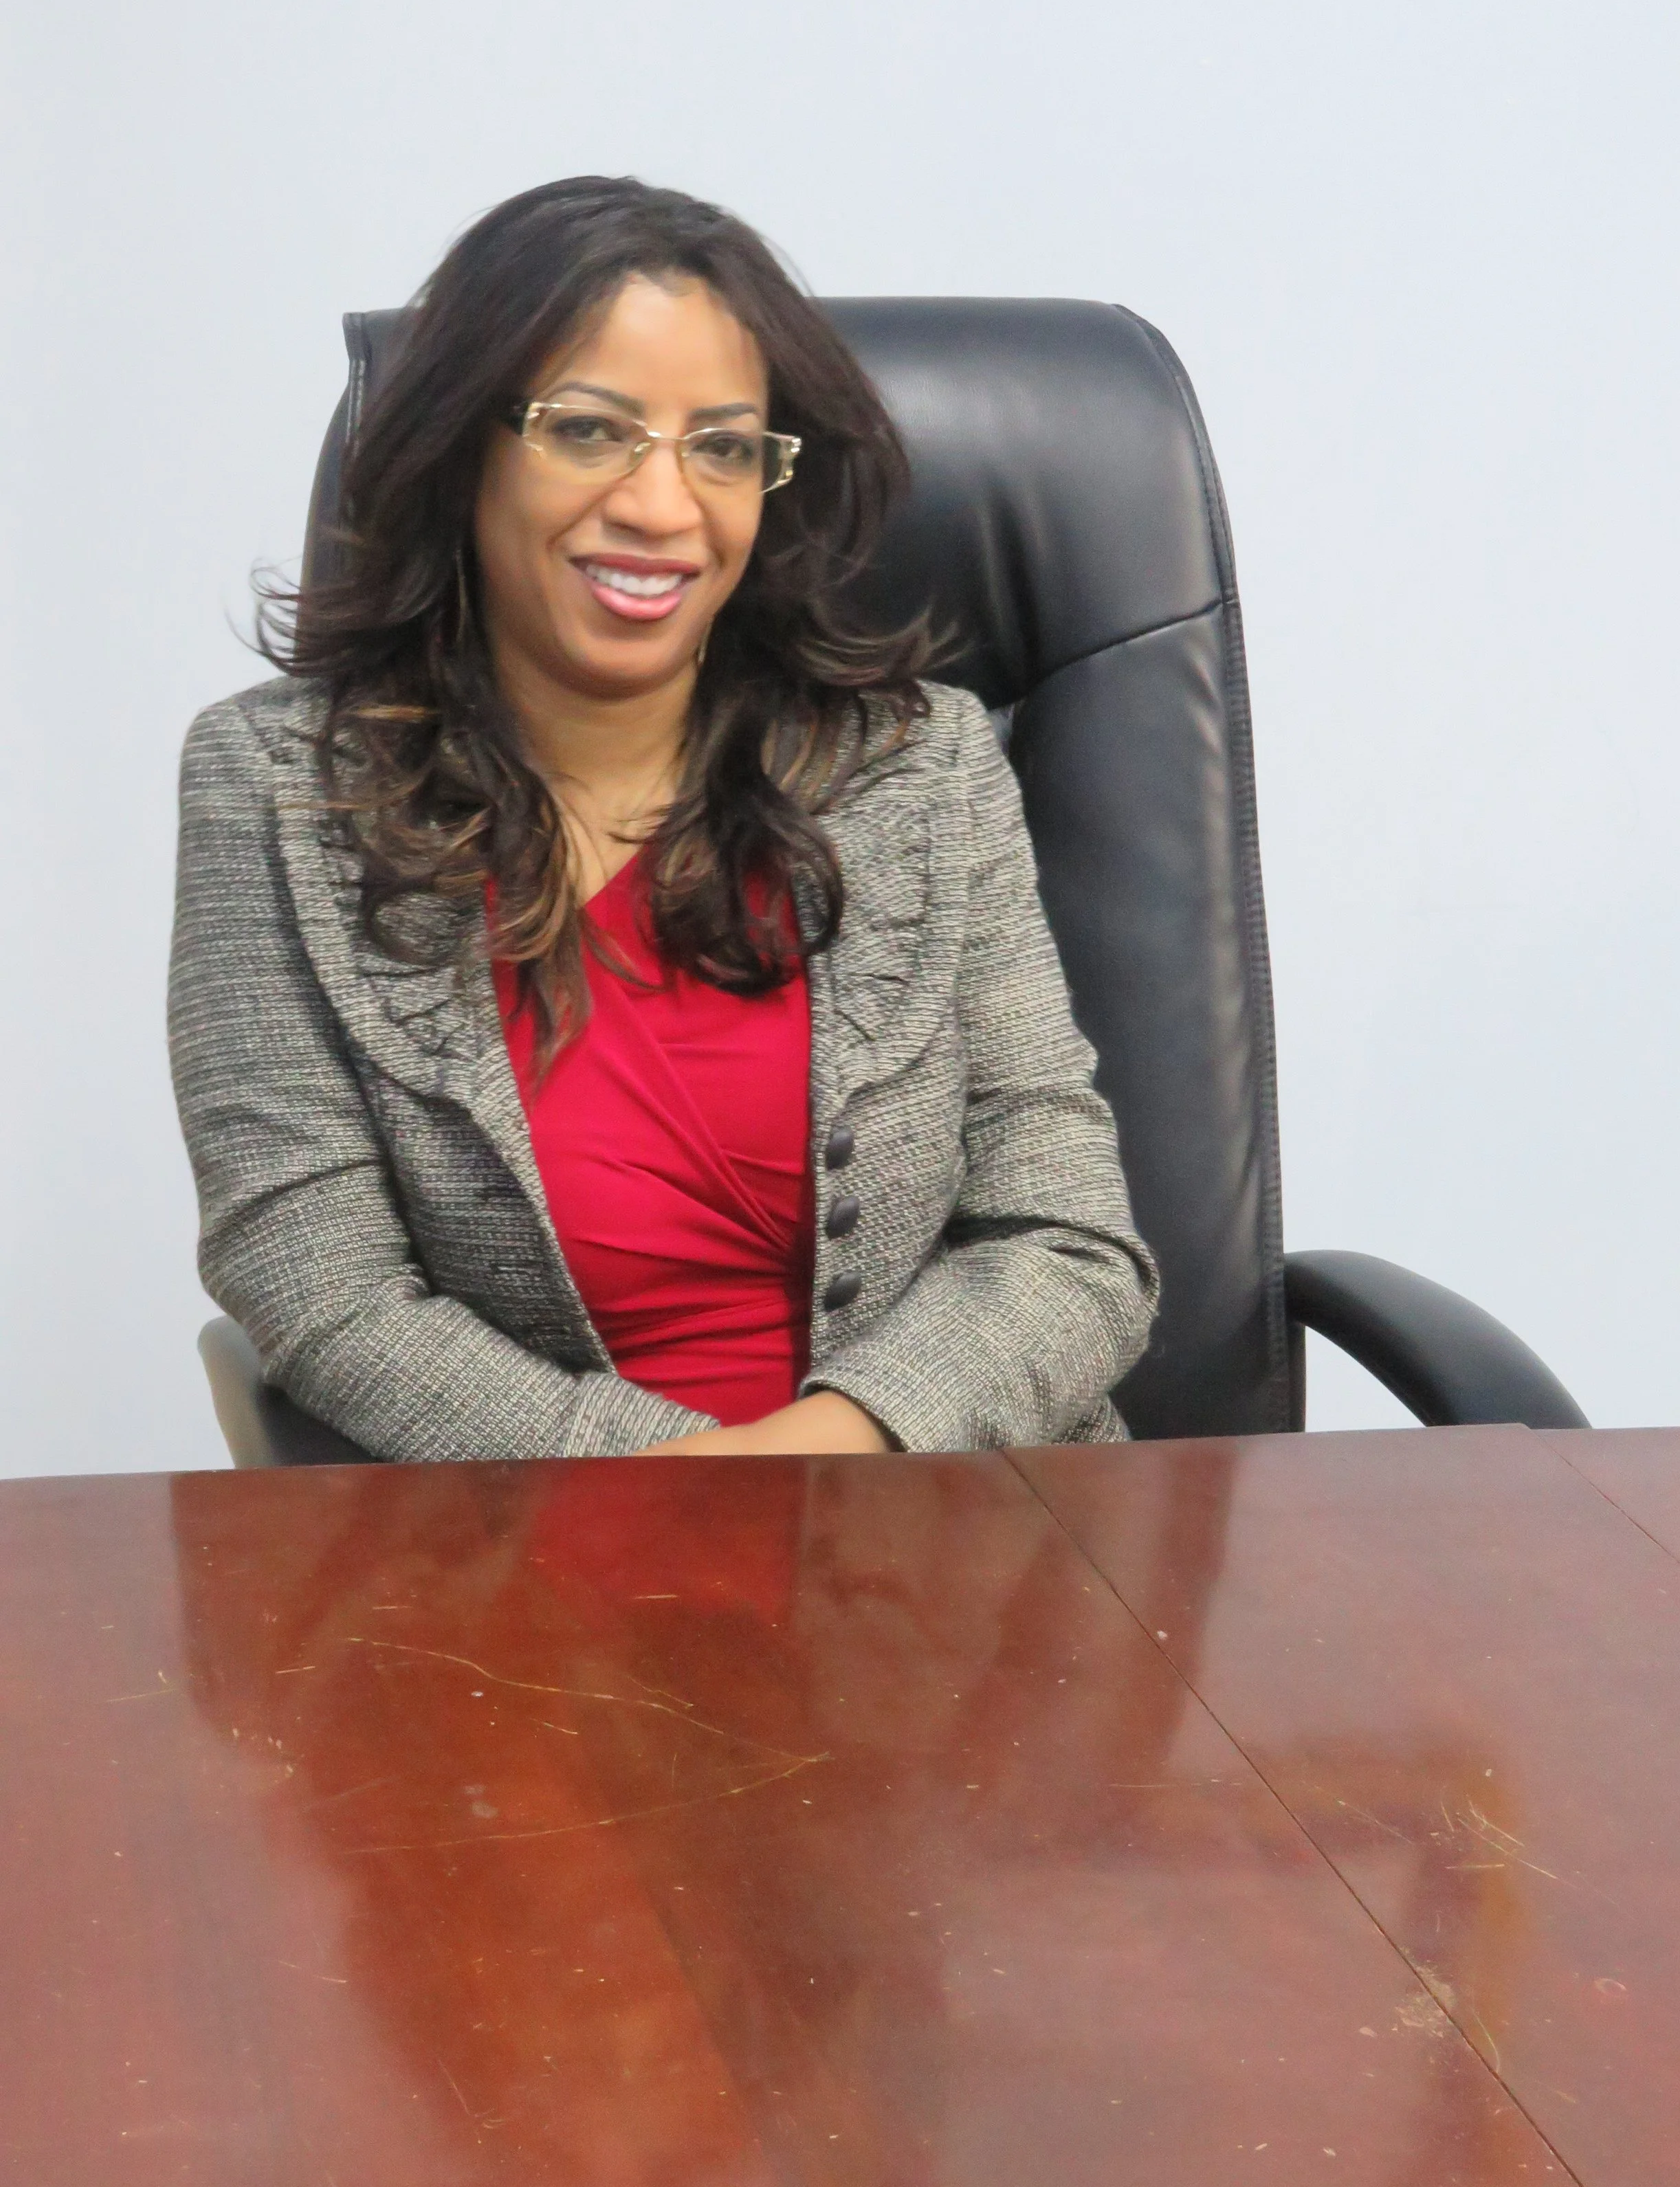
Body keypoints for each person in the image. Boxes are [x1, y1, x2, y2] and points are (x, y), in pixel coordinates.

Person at [168, 175, 1158, 1463]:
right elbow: (315, 1278)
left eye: (724, 447)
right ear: (463, 450)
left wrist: (816, 1464)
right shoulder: (276, 784)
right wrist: (687, 1502)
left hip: (950, 1516)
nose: (662, 506)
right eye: (589, 431)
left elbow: (1066, 1241)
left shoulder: (923, 766)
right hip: (539, 1543)